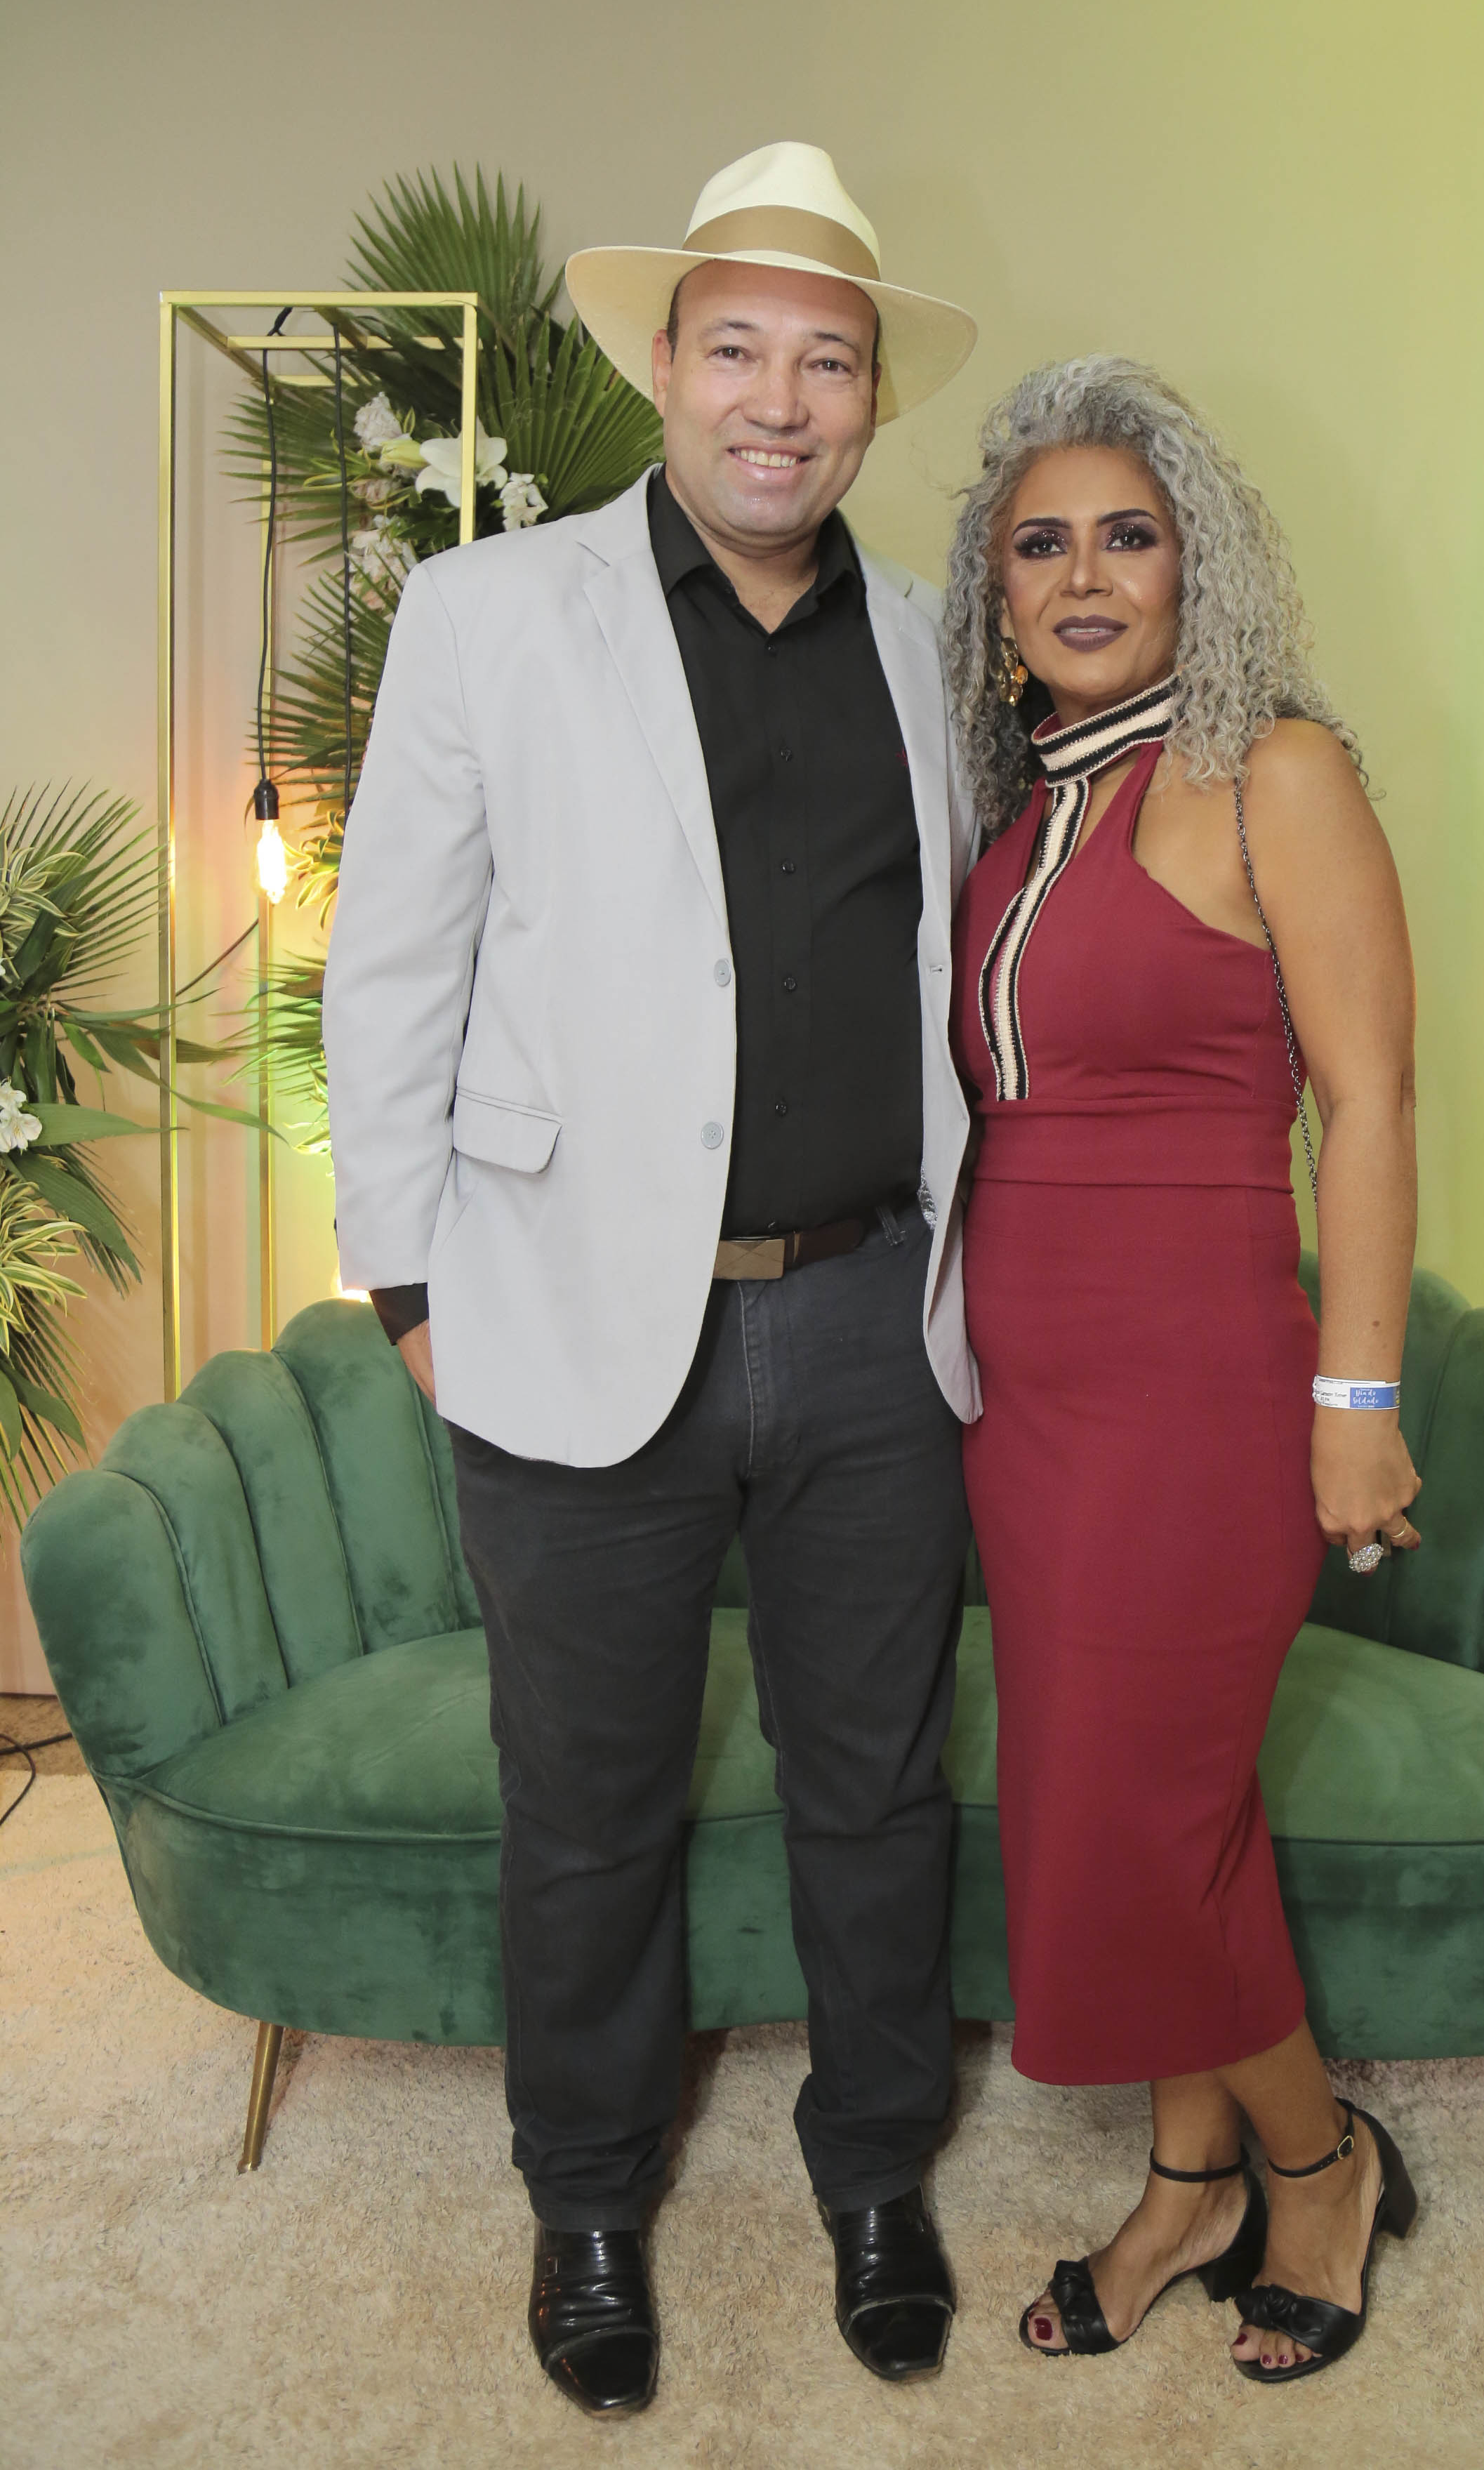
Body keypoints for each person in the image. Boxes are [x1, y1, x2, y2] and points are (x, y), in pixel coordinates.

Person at [324, 141, 981, 2419]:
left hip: (874, 1317)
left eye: (828, 361)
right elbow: (389, 965)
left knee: (875, 1788)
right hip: (561, 1307)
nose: (779, 401)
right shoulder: (488, 616)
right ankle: (589, 2203)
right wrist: (409, 1289)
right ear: (666, 368)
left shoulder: (932, 646)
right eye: (738, 350)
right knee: (588, 1801)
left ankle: (877, 2173)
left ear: (872, 398)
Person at [943, 357, 1421, 2383]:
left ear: (1191, 565)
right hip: (1028, 1418)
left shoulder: (1274, 772)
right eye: (1039, 544)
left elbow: (1371, 1102)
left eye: (1125, 537)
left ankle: (1317, 2165)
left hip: (1200, 1399)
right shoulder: (1020, 813)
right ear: (995, 591)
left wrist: (1358, 1407)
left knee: (1148, 1821)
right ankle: (1185, 2179)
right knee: (1122, 1804)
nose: (1083, 576)